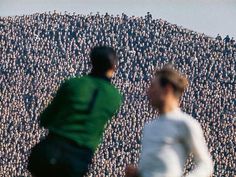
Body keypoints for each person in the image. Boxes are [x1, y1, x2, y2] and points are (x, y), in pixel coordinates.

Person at [28, 46, 122, 177]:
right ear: (113, 67)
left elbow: (45, 119)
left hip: (49, 153)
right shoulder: (114, 97)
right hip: (77, 161)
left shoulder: (73, 84)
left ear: (91, 62)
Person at [125, 65, 213, 177]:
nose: (148, 91)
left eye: (153, 87)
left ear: (167, 89)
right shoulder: (149, 127)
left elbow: (205, 164)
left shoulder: (185, 123)